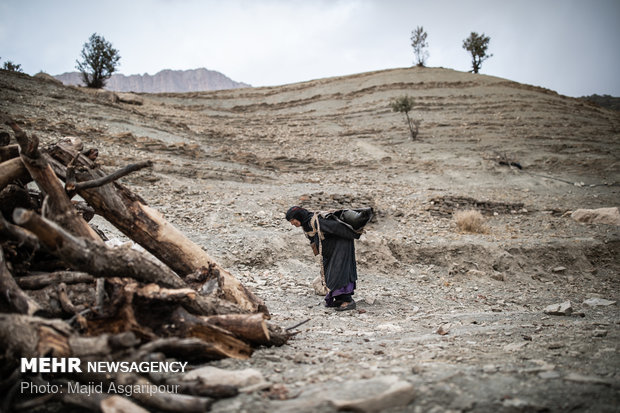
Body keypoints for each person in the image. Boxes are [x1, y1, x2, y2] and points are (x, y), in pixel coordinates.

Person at [285, 206, 373, 311]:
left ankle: (348, 301)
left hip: (341, 247)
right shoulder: (307, 223)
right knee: (329, 274)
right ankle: (339, 298)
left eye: (292, 220)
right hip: (331, 250)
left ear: (298, 216)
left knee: (339, 273)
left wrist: (353, 235)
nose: (292, 223)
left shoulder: (318, 221)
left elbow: (337, 227)